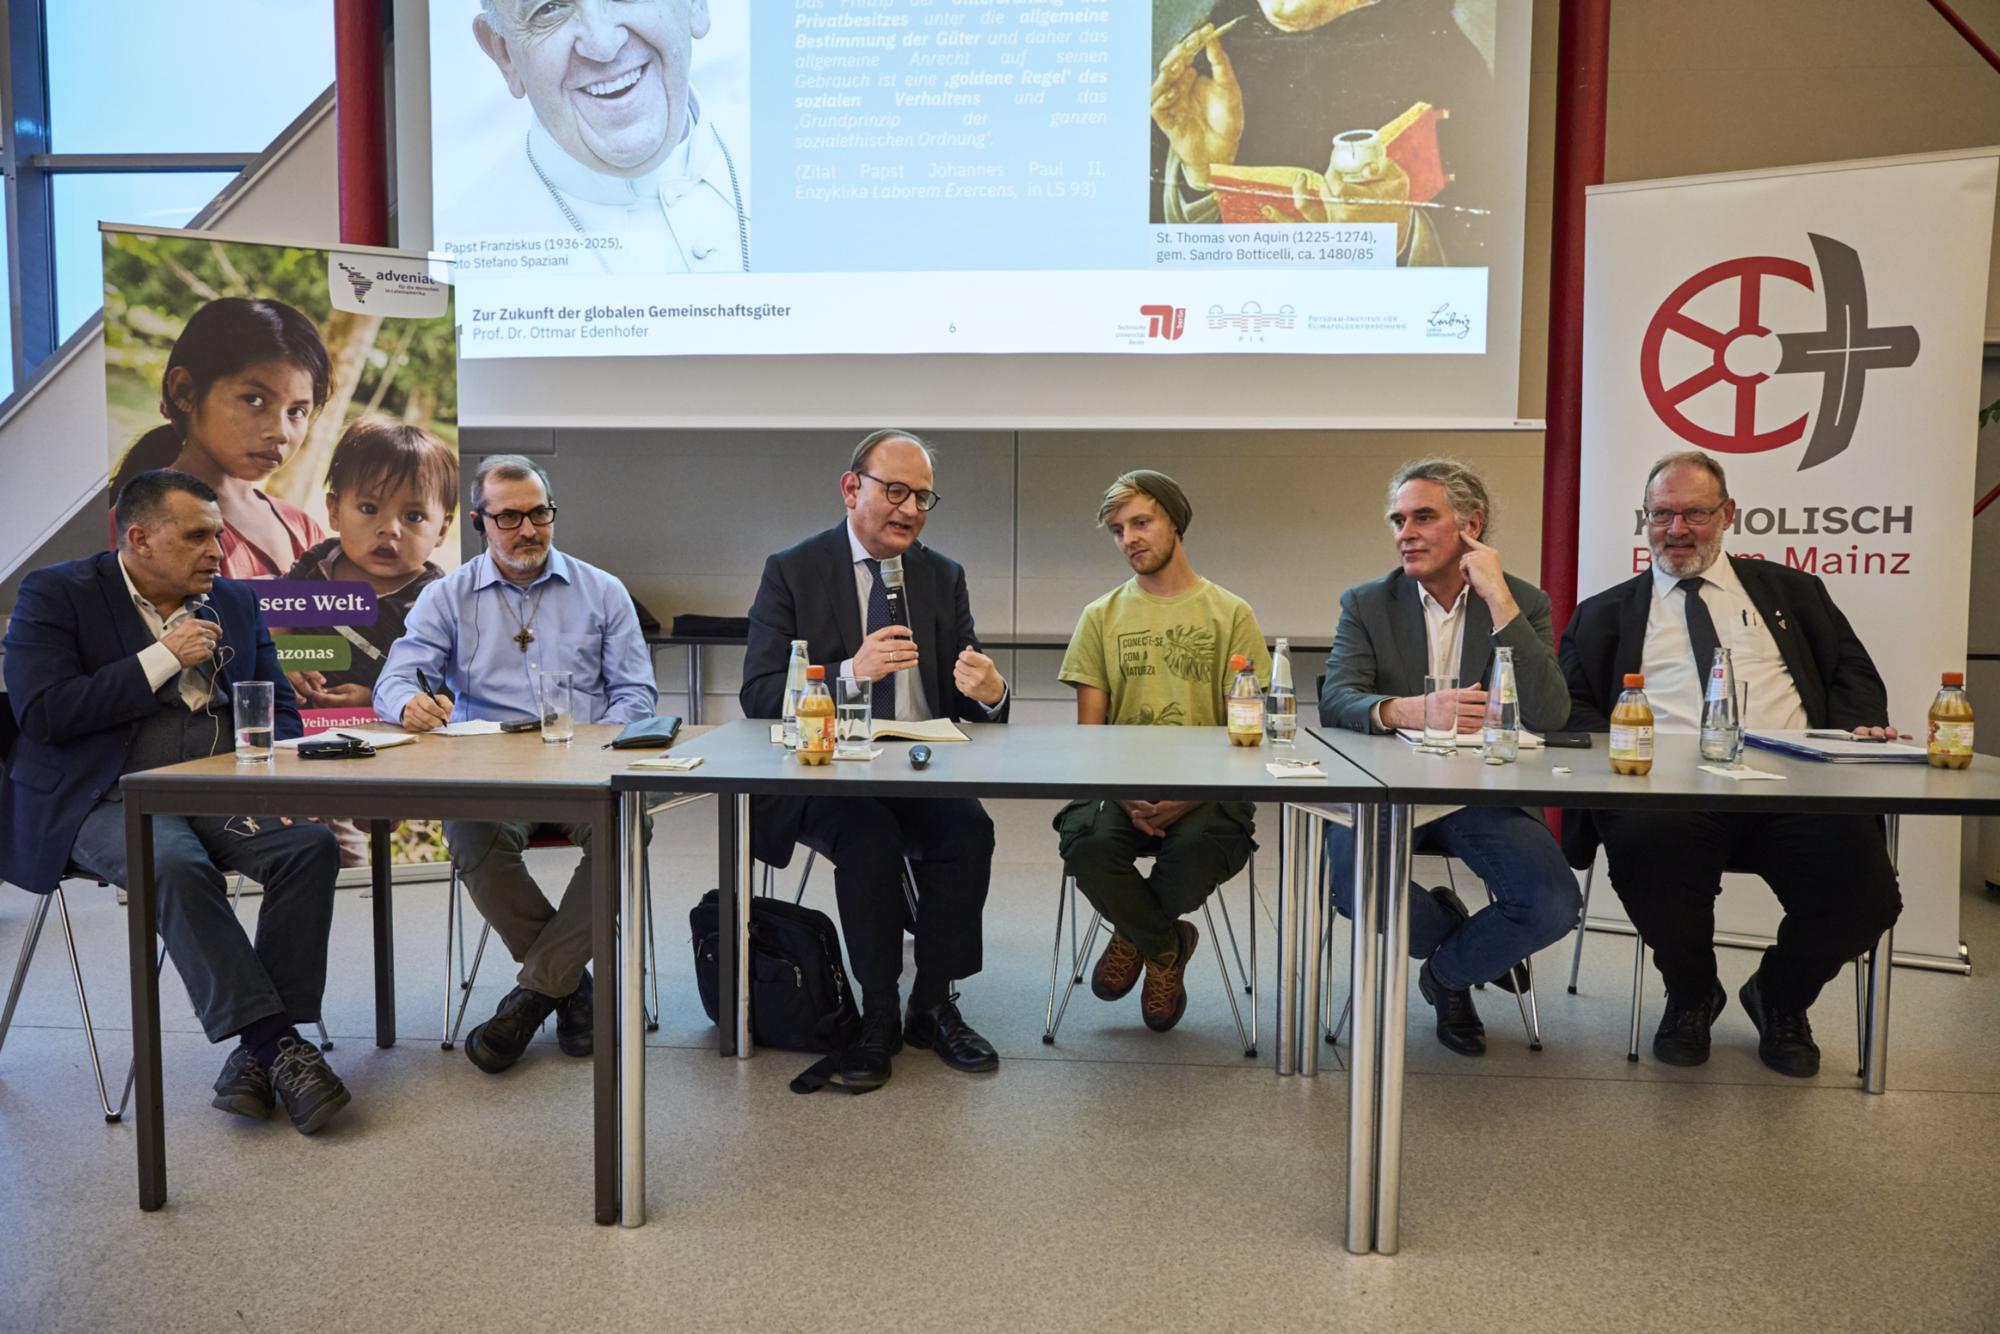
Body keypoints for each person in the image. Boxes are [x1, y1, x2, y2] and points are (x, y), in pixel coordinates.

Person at [0, 471, 349, 1134]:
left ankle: (257, 1054)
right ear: (140, 539)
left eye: (219, 533)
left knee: (311, 847)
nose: (218, 550)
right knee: (175, 862)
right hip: (99, 797)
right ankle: (279, 1045)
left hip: (215, 791)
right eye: (198, 536)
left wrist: (271, 762)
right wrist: (158, 660)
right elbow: (43, 715)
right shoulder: (58, 594)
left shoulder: (235, 602)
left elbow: (276, 706)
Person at [1559, 451, 1903, 1077]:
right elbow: (1573, 711)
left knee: (1867, 896)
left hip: (1796, 786)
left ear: (1728, 514)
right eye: (1661, 514)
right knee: (1646, 848)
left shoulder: (1792, 592)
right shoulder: (1604, 614)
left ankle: (1780, 995)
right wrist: (1631, 756)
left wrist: (1856, 733)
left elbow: (1852, 673)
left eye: (1694, 512)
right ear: (1645, 520)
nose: (1677, 529)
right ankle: (1693, 996)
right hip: (1668, 791)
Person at [741, 429, 1010, 1091]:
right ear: (850, 487)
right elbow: (756, 693)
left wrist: (993, 692)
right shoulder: (793, 569)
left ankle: (932, 1003)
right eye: (896, 491)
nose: (911, 509)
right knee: (870, 840)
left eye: (922, 497)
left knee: (968, 830)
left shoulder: (942, 576)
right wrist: (843, 673)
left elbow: (971, 697)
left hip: (919, 766)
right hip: (827, 771)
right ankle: (878, 1014)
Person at [375, 455, 657, 1074]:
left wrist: (599, 741)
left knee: (628, 828)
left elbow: (636, 695)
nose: (528, 528)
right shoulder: (445, 596)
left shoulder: (602, 590)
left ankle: (530, 1000)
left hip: (582, 767)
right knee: (469, 831)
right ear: (480, 522)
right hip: (490, 773)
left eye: (539, 513)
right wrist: (410, 703)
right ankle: (570, 989)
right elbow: (393, 679)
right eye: (509, 517)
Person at [1319, 457, 1579, 1056]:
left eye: (1423, 517)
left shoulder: (1521, 601)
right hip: (1383, 787)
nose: (1404, 532)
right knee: (1352, 887)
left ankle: (1446, 975)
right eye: (1398, 518)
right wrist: (1413, 710)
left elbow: (1549, 713)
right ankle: (1461, 941)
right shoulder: (1368, 603)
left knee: (1551, 904)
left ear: (1472, 526)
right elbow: (1337, 698)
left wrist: (1498, 597)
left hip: (1479, 793)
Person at [1054, 470, 1266, 1032]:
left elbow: (1244, 733)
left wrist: (1187, 798)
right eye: (1118, 530)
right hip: (1119, 789)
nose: (1129, 539)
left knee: (1204, 846)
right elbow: (1089, 737)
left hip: (1209, 793)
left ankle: (1136, 936)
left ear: (1175, 521)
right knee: (1087, 843)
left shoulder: (1231, 615)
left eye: (1141, 522)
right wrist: (1125, 799)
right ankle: (1168, 945)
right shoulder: (1099, 617)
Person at [1149, 0, 1496, 260]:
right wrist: (1201, 177)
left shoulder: (1443, 60)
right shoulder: (1211, 56)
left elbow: (1487, 251)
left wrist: (1396, 239)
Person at [455, 0, 749, 274]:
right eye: (549, 8)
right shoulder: (458, 255)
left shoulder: (790, 169)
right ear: (504, 53)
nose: (603, 45)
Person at [110, 297, 332, 578]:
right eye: (254, 399)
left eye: (297, 411)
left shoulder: (303, 528)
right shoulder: (143, 525)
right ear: (185, 391)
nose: (280, 432)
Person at [284, 417, 458, 713]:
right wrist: (285, 659)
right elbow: (274, 616)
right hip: (296, 722)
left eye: (413, 516)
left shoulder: (435, 600)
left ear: (442, 530)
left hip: (384, 734)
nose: (389, 528)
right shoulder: (319, 563)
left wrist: (375, 699)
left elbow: (441, 687)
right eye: (369, 508)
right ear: (335, 511)